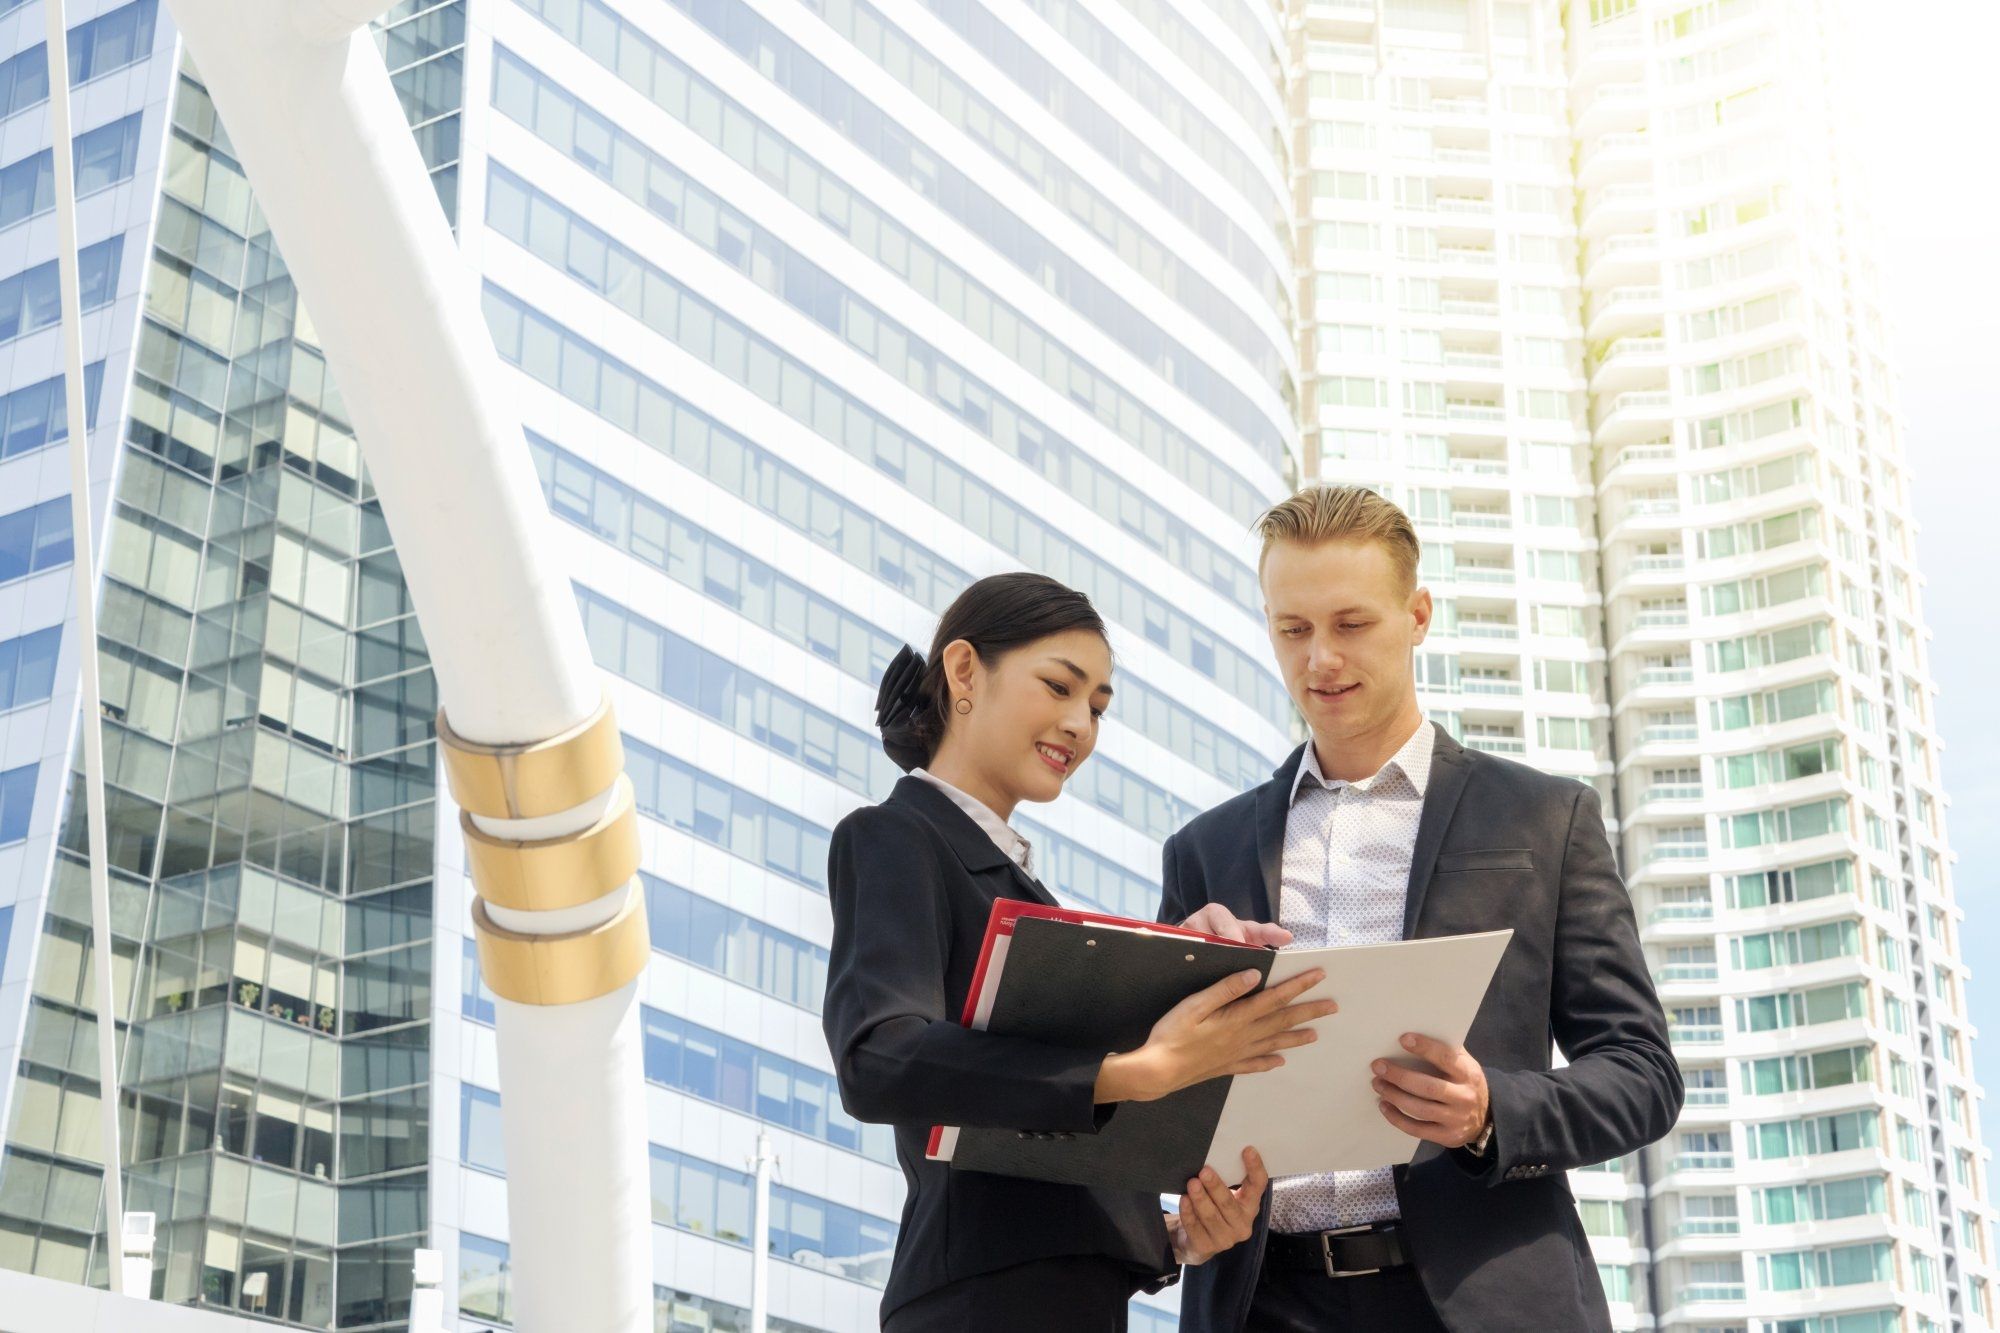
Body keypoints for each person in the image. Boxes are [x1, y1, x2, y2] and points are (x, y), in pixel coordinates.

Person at [1164, 487, 1683, 1333]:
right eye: (1293, 628)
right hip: (1263, 1304)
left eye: (1351, 623)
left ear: (1418, 615)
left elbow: (1643, 1074)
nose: (1320, 657)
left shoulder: (1546, 819)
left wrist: (1490, 1112)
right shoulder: (1202, 853)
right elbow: (1166, 1106)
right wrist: (1191, 1201)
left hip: (1482, 1302)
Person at [823, 572, 1338, 1333]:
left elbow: (1045, 1151)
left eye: (1096, 707)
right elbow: (879, 1058)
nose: (1080, 725)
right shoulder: (894, 837)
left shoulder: (1028, 900)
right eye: (1059, 687)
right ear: (965, 671)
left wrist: (1176, 1237)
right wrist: (1142, 1070)